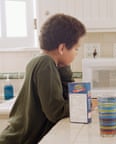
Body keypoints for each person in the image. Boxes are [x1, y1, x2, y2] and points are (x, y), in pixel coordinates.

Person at [0, 14, 86, 143]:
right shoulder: (45, 64)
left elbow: (68, 96)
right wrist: (85, 105)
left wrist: (65, 67)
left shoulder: (40, 62)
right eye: (76, 49)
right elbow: (56, 112)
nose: (76, 53)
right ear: (62, 48)